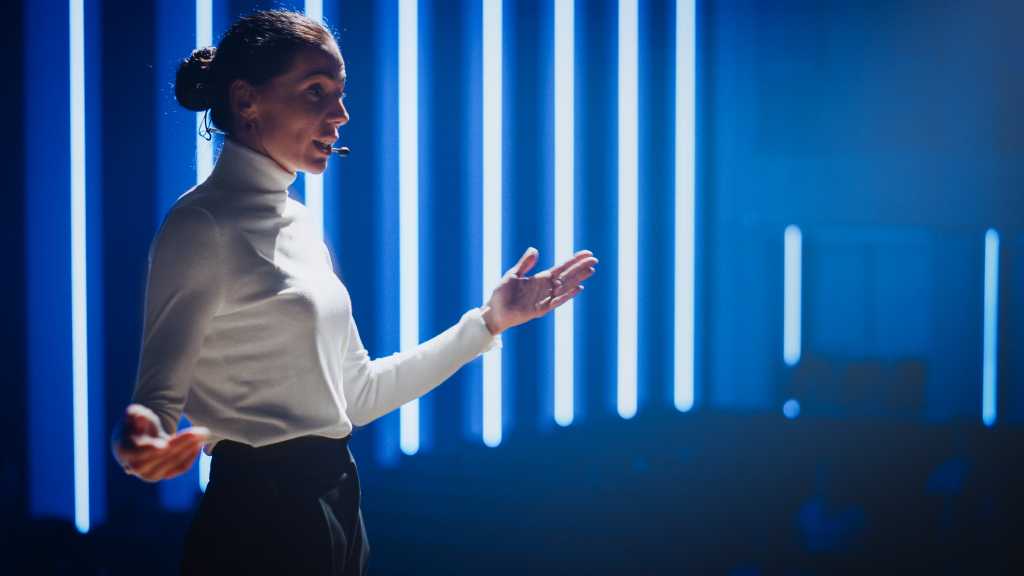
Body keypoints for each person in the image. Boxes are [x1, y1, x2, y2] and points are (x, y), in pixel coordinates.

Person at [108, 8, 597, 576]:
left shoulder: (301, 222)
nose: (340, 115)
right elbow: (155, 404)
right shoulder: (200, 227)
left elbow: (358, 394)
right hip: (258, 521)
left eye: (340, 94)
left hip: (336, 501)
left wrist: (488, 323)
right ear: (246, 101)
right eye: (316, 92)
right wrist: (139, 445)